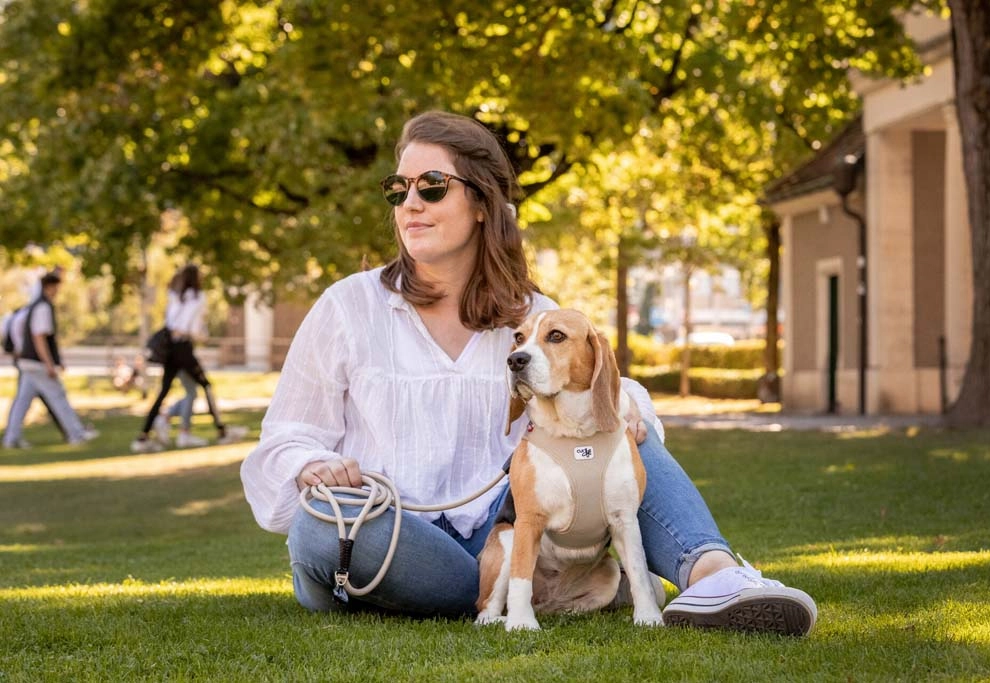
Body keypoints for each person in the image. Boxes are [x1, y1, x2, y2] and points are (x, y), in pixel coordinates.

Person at [240, 111, 817, 635]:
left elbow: (598, 382)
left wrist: (627, 409)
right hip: (397, 533)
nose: (410, 203)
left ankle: (715, 578)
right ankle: (539, 589)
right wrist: (311, 465)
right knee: (320, 528)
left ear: (482, 202)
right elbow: (285, 437)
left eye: (431, 186)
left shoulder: (532, 316)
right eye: (399, 189)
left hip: (511, 529)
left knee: (616, 419)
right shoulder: (347, 306)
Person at [131, 264, 244, 452]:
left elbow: (171, 322)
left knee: (166, 391)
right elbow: (192, 328)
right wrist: (202, 335)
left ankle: (144, 436)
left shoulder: (175, 296)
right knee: (206, 386)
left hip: (170, 347)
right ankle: (221, 431)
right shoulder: (198, 298)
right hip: (183, 347)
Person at [2, 270, 99, 448]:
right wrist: (49, 364)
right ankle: (76, 434)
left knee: (22, 402)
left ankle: (11, 438)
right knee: (58, 397)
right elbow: (39, 338)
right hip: (37, 363)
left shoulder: (34, 307)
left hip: (28, 362)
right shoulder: (43, 307)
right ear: (49, 287)